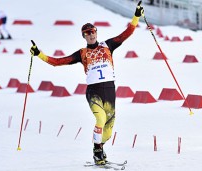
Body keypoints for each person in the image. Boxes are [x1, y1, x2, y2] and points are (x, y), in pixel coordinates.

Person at [30, 1, 144, 165]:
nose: (91, 35)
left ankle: (99, 148)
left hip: (110, 91)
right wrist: (39, 54)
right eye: (87, 33)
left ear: (96, 33)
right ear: (84, 36)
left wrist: (136, 16)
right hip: (94, 92)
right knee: (100, 119)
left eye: (93, 32)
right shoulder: (82, 53)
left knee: (109, 130)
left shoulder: (107, 45)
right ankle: (97, 152)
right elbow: (57, 62)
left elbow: (127, 33)